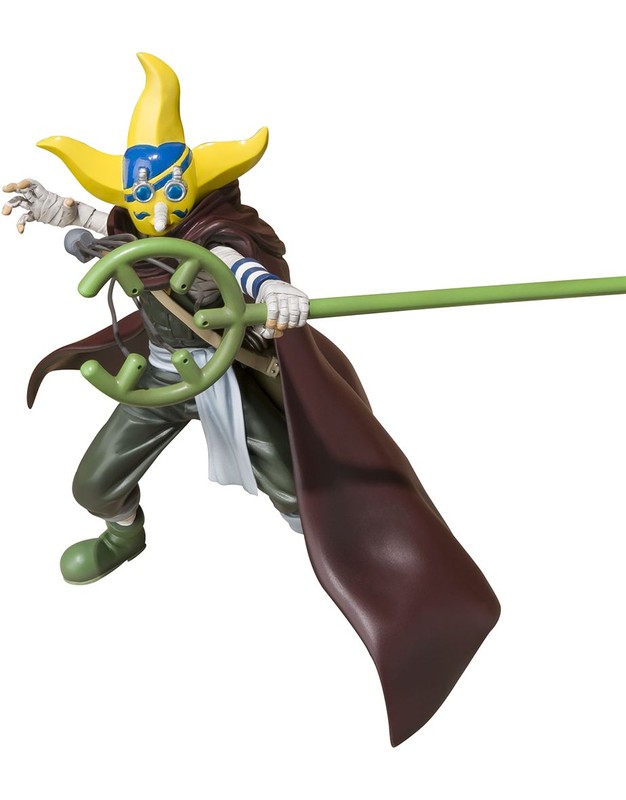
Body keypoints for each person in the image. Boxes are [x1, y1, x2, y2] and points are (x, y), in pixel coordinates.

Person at [2, 53, 500, 746]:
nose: (156, 213)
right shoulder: (135, 224)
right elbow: (109, 224)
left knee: (302, 492)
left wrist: (273, 291)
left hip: (226, 378)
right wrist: (57, 210)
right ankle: (124, 534)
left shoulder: (216, 237)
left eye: (168, 196)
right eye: (142, 199)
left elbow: (243, 265)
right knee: (92, 486)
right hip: (159, 381)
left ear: (193, 189)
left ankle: (366, 568)